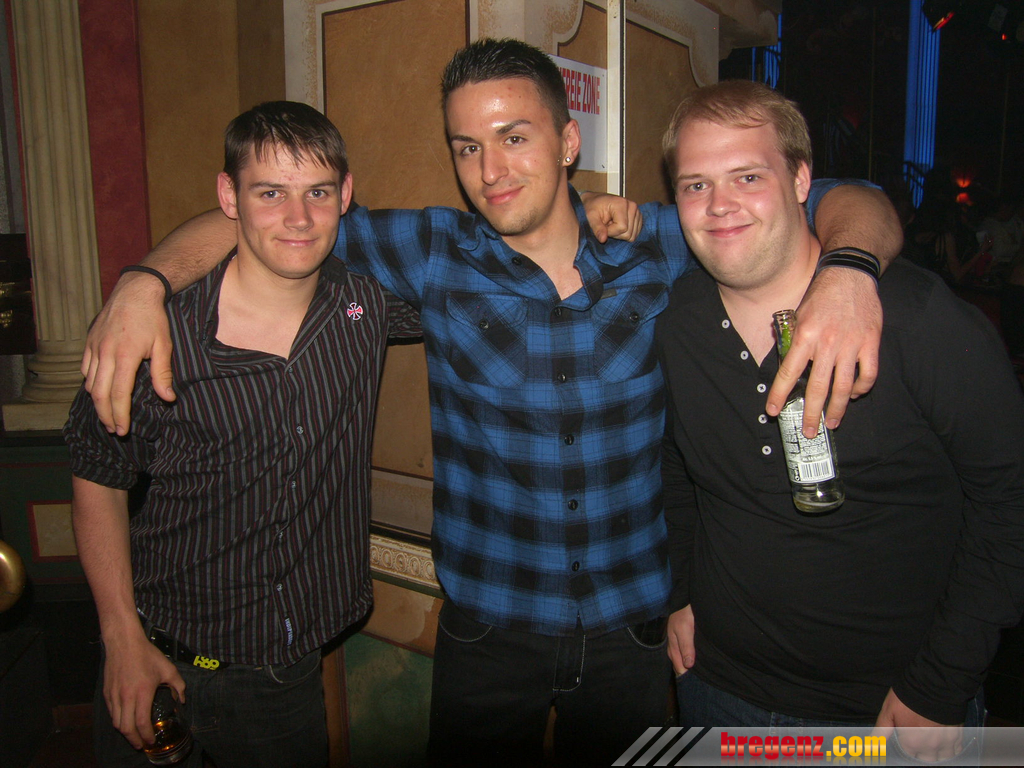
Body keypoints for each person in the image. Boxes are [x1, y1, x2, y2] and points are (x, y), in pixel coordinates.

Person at [78, 40, 902, 765]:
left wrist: (851, 269)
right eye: (467, 146)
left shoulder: (662, 238)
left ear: (568, 142)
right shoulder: (433, 250)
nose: (492, 170)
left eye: (515, 137)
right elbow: (272, 222)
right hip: (488, 628)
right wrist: (143, 284)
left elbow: (843, 199)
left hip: (632, 627)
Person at [656, 80, 1024, 764]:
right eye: (695, 185)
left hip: (890, 710)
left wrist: (941, 683)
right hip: (720, 691)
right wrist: (681, 594)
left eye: (747, 176)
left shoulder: (917, 318)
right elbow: (679, 472)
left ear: (802, 181)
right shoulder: (678, 323)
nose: (719, 204)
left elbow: (1009, 501)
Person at [64, 101, 420, 767]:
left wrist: (583, 213)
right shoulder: (156, 336)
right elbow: (96, 478)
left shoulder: (365, 306)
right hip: (160, 660)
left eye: (318, 192)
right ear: (229, 197)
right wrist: (121, 639)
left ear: (345, 195)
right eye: (270, 193)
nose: (298, 218)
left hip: (283, 675)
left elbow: (490, 262)